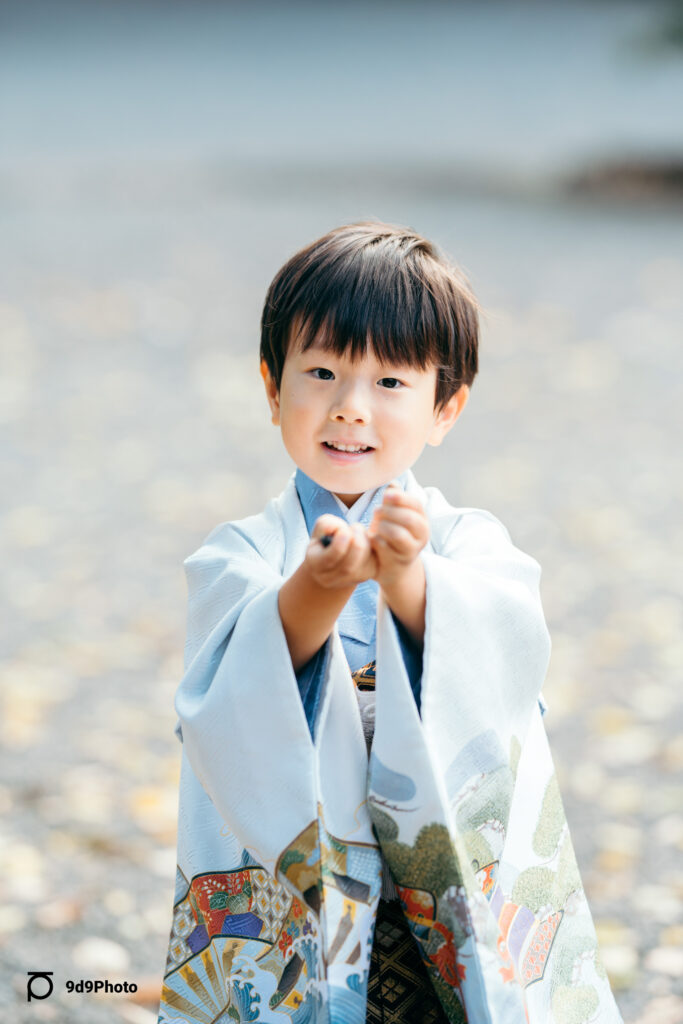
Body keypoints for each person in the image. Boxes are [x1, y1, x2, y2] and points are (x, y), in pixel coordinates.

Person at [157, 222, 623, 1023]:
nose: (349, 408)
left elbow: (508, 656)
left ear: (446, 406)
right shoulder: (241, 554)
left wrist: (410, 582)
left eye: (391, 384)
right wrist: (314, 588)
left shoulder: (468, 543)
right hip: (302, 887)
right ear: (273, 390)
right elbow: (231, 689)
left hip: (440, 885)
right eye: (322, 372)